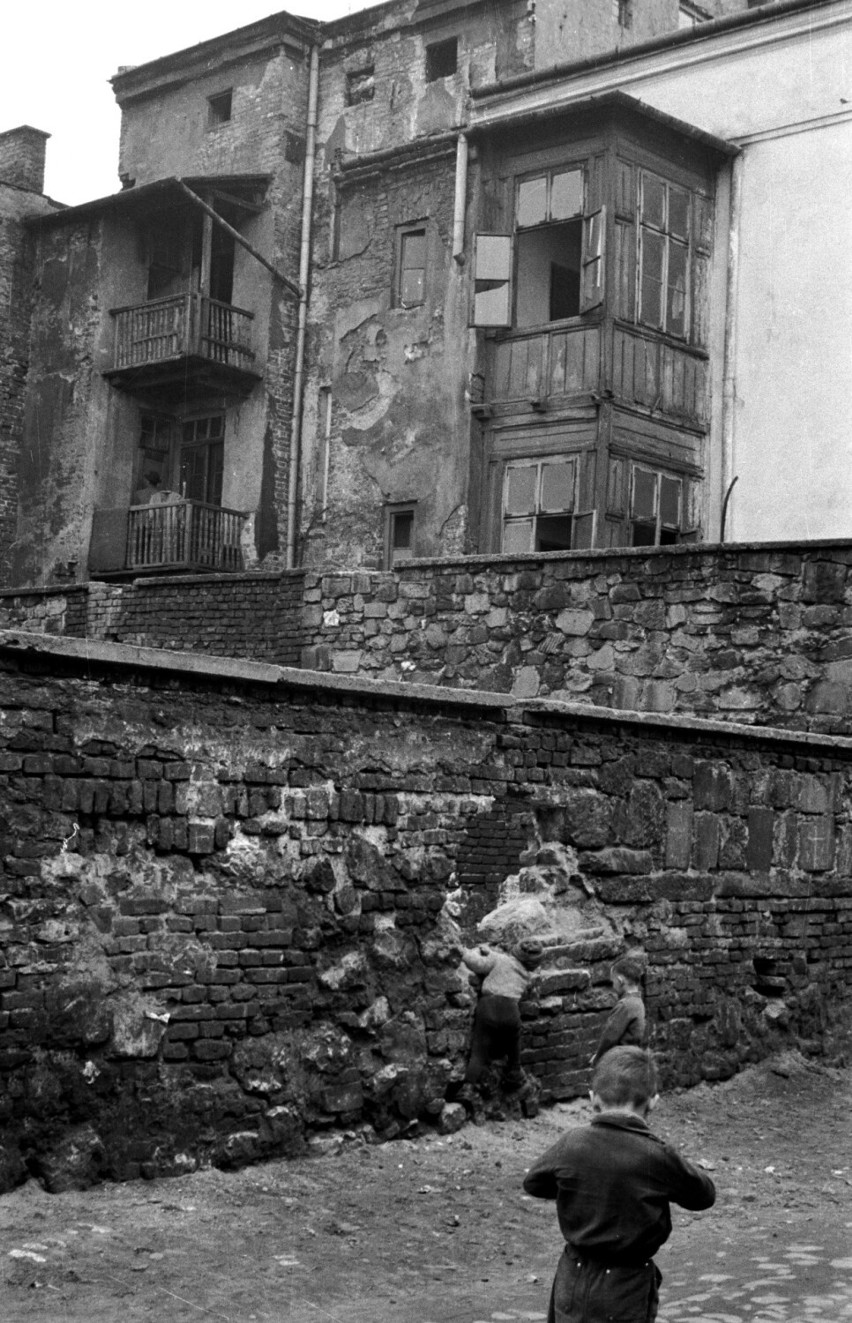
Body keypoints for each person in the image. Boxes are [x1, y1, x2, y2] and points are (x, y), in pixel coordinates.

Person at [523, 1047, 715, 1323]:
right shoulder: (655, 1156)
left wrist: (582, 1185)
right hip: (625, 1287)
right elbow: (704, 1195)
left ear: (593, 1099)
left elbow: (533, 1183)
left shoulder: (572, 1143)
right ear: (653, 1102)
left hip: (571, 1278)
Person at [460, 937, 543, 1092]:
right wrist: (491, 953)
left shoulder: (500, 959)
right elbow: (510, 970)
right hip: (511, 1012)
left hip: (488, 1006)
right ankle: (514, 1074)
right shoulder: (526, 976)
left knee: (478, 1053)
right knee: (514, 1045)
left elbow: (478, 964)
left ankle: (467, 1089)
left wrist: (463, 951)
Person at [590, 952, 646, 1067]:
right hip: (633, 1059)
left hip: (620, 1062)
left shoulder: (625, 1005)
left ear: (620, 981)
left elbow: (609, 1037)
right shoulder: (638, 1001)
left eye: (613, 982)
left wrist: (598, 1058)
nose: (613, 986)